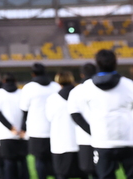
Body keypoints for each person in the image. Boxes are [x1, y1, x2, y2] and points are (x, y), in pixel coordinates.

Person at [69, 49, 133, 179]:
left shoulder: (85, 88)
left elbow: (75, 113)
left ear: (97, 64)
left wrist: (92, 131)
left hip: (102, 141)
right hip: (127, 140)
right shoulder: (129, 85)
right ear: (116, 62)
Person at [20, 62, 61, 179]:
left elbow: (24, 110)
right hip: (55, 128)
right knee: (55, 160)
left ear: (33, 74)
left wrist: (23, 128)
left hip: (36, 130)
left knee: (40, 160)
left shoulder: (29, 88)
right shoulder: (56, 86)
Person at [45, 70, 87, 179]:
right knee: (84, 174)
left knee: (61, 174)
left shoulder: (52, 99)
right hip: (80, 141)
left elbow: (49, 117)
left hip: (61, 142)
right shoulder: (80, 96)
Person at [0, 73, 29, 179]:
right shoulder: (22, 93)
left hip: (5, 134)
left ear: (4, 81)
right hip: (21, 134)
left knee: (8, 162)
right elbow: (26, 113)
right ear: (15, 81)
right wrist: (23, 129)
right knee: (22, 162)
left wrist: (10, 128)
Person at [67, 63, 98, 179]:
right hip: (104, 137)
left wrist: (90, 131)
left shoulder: (76, 91)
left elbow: (75, 115)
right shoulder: (103, 87)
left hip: (85, 138)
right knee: (104, 171)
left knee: (87, 171)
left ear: (82, 74)